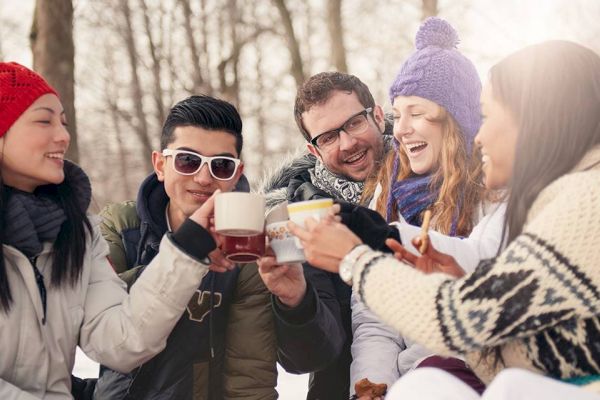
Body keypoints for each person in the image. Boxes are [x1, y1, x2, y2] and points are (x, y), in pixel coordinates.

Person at [291, 39, 600, 395]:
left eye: (487, 117)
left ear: (537, 120)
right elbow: (519, 351)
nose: (480, 135)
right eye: (329, 137)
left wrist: (359, 255)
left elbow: (469, 318)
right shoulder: (569, 195)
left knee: (435, 382)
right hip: (436, 373)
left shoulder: (580, 201)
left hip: (451, 375)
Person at [0, 63, 235, 398]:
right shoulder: (115, 226)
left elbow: (122, 341)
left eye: (63, 122)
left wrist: (186, 249)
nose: (63, 136)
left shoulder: (76, 233)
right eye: (43, 120)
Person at [350, 17, 504, 398]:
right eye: (397, 113)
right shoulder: (389, 196)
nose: (400, 129)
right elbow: (375, 316)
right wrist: (374, 385)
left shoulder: (494, 195)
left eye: (416, 113)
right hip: (407, 384)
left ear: (454, 120)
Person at [93, 95, 277, 399]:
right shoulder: (118, 225)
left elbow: (249, 375)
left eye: (221, 165)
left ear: (236, 174)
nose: (204, 178)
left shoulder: (246, 250)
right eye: (188, 160)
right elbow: (98, 314)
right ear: (160, 165)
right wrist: (186, 252)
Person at [257, 71, 394, 399]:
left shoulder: (429, 178)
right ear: (314, 150)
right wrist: (296, 301)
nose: (347, 143)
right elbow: (309, 357)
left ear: (377, 115)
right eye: (329, 137)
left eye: (354, 123)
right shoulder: (301, 219)